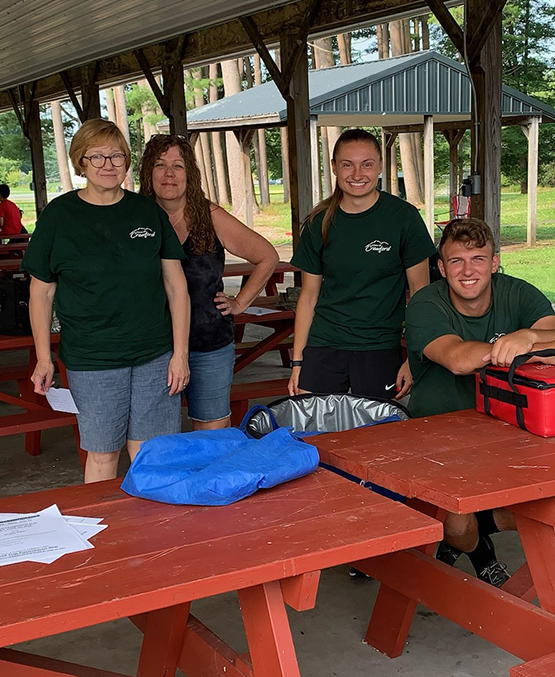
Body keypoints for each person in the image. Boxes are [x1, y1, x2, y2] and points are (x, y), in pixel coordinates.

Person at [405, 218, 555, 586]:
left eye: (478, 258)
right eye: (456, 261)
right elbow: (458, 359)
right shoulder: (425, 303)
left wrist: (527, 336)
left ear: (494, 262)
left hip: (512, 426)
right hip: (440, 435)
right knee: (456, 523)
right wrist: (508, 348)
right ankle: (478, 549)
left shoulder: (518, 292)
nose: (468, 270)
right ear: (441, 268)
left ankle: (483, 523)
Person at [23, 118, 190, 483]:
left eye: (116, 156)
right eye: (96, 157)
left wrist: (180, 354)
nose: (107, 165)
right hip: (92, 357)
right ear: (80, 162)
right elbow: (41, 291)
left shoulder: (147, 212)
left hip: (155, 353)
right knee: (102, 453)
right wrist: (43, 357)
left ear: (127, 162)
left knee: (153, 453)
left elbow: (176, 287)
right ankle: (105, 533)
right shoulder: (59, 216)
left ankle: (158, 535)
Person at [140, 134, 279, 430]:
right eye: (160, 165)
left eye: (177, 166)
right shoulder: (136, 218)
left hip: (209, 343)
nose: (168, 173)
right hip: (153, 346)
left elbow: (267, 256)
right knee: (156, 434)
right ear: (147, 172)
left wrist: (240, 302)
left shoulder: (210, 216)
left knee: (212, 430)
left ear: (190, 173)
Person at [289, 128, 436, 400]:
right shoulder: (318, 222)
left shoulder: (403, 218)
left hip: (380, 346)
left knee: (377, 436)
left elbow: (420, 295)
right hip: (325, 343)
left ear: (380, 166)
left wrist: (413, 357)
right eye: (347, 164)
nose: (357, 175)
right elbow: (309, 296)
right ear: (334, 167)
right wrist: (298, 362)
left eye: (366, 164)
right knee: (314, 431)